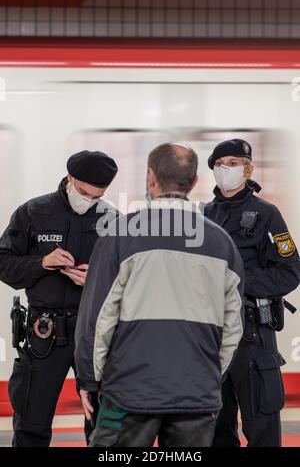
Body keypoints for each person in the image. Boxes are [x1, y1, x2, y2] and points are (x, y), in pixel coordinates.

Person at [75, 142, 244, 447]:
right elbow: (234, 327)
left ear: (150, 177)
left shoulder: (120, 235)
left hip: (128, 392)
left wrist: (89, 378)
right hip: (197, 394)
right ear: (193, 182)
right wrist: (207, 376)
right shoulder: (222, 243)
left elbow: (97, 318)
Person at [0, 150, 118, 447]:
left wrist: (98, 279)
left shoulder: (113, 219)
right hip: (45, 335)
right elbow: (4, 263)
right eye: (83, 192)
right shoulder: (32, 212)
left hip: (94, 335)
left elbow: (130, 278)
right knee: (31, 424)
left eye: (96, 196)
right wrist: (41, 263)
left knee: (103, 426)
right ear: (69, 179)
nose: (88, 201)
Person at [204, 138, 300, 447]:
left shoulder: (267, 214)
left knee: (261, 421)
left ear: (248, 170)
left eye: (233, 164)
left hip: (252, 335)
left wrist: (238, 280)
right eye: (219, 164)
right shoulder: (204, 214)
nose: (225, 170)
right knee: (215, 423)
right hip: (210, 334)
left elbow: (290, 271)